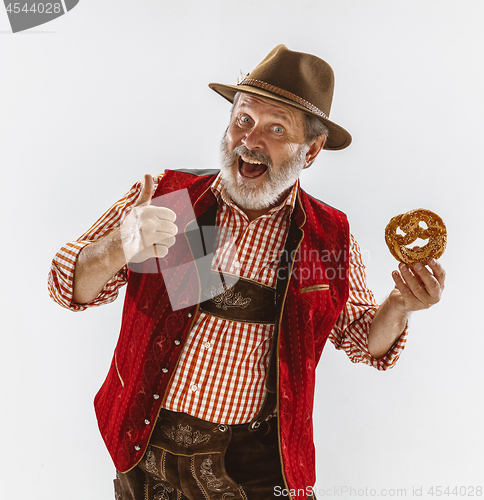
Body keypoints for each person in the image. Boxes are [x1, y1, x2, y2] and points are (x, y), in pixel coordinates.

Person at [48, 45, 445, 500]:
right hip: (145, 449)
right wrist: (121, 245)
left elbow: (360, 338)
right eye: (243, 120)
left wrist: (400, 305)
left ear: (311, 150)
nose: (251, 140)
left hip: (254, 465)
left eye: (277, 128)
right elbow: (65, 287)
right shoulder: (170, 199)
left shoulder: (327, 236)